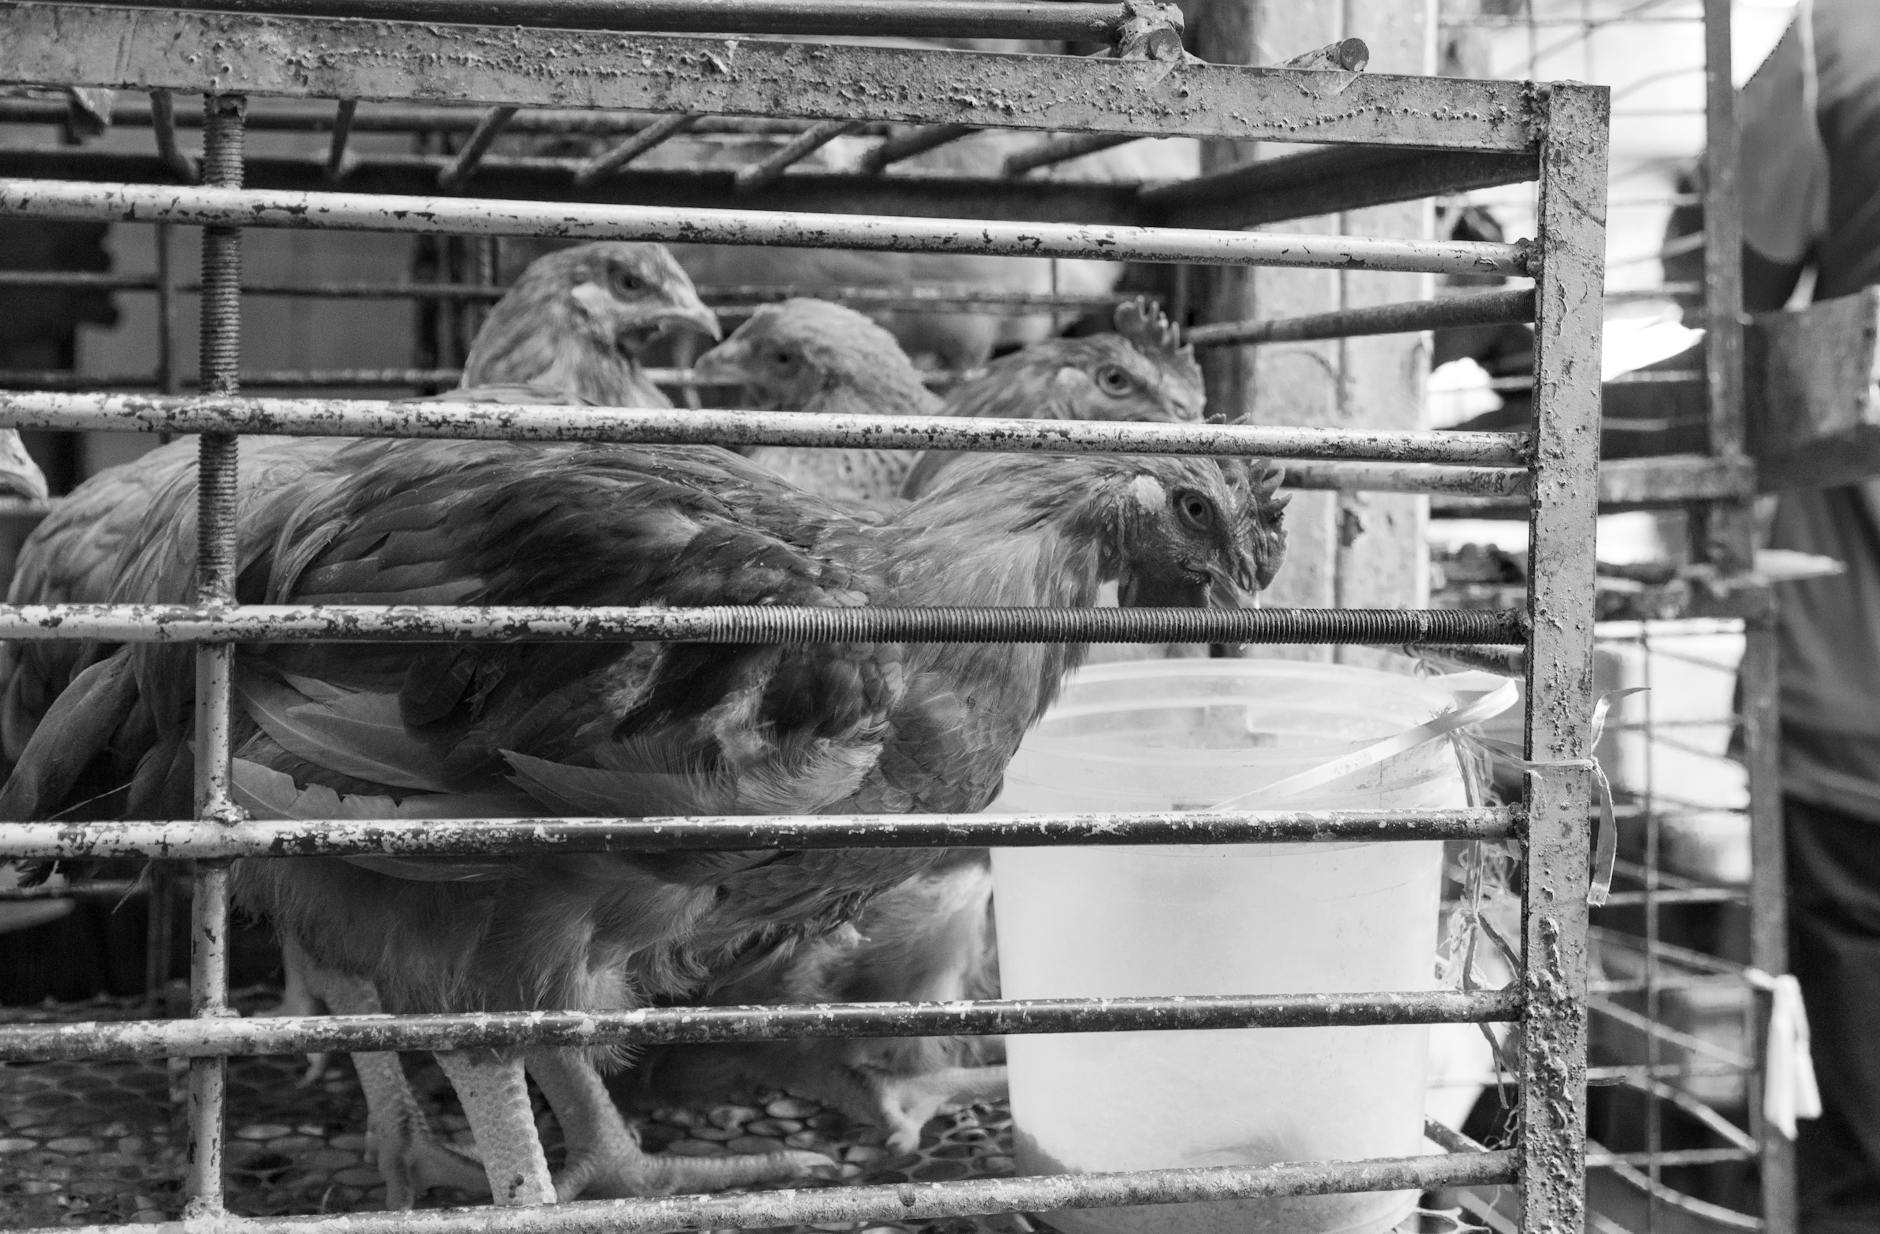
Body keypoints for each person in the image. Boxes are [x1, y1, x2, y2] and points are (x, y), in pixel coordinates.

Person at [1735, 5, 1880, 1231]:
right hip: (1844, 669)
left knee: (1851, 1119)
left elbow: (1737, 300)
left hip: (1847, 674)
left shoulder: (1833, 42)